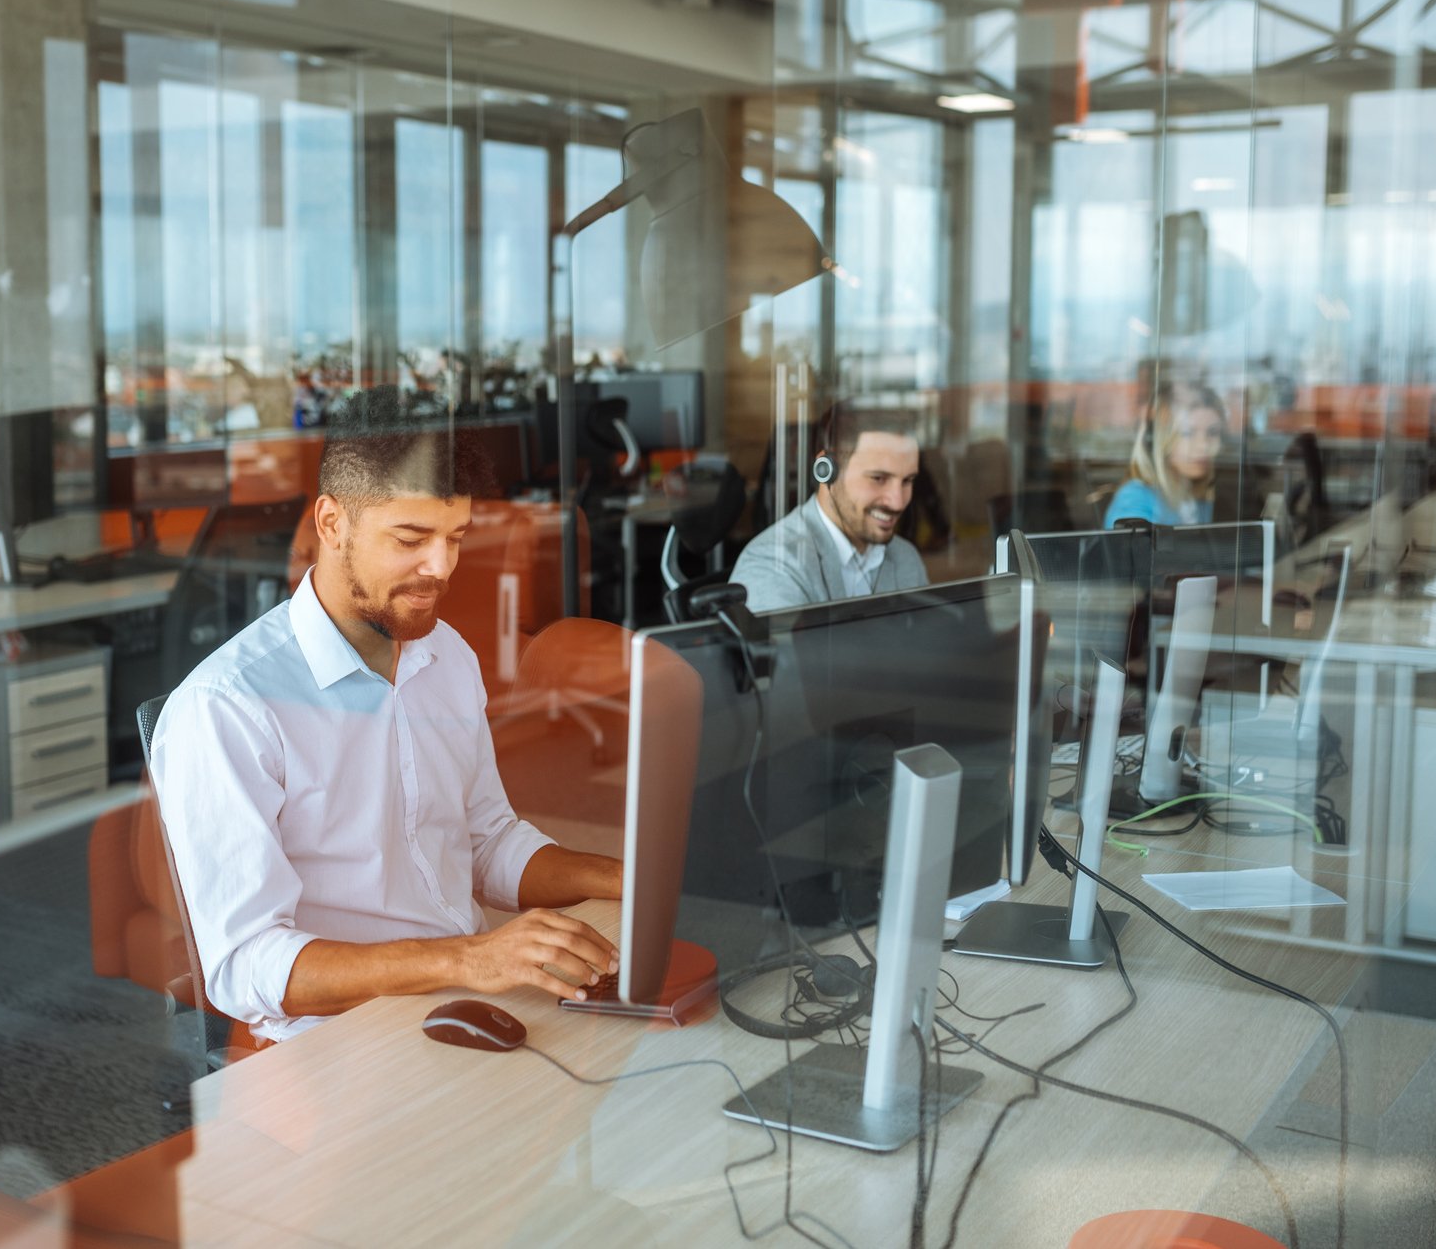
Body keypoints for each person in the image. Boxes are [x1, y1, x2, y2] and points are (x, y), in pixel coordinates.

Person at [150, 388, 623, 1044]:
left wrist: (627, 876)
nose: (443, 567)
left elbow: (485, 841)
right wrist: (467, 957)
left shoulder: (445, 655)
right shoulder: (228, 706)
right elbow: (242, 964)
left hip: (465, 1000)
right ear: (331, 522)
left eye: (455, 537)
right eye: (411, 538)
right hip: (334, 1042)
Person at [730, 404, 928, 612]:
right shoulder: (773, 564)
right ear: (826, 470)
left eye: (907, 480)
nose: (897, 502)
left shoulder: (905, 558)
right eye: (878, 478)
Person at [1103, 381, 1225, 528]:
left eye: (1212, 432)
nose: (1204, 445)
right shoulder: (1135, 499)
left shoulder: (1196, 494)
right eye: (1187, 433)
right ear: (1160, 438)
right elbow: (1131, 547)